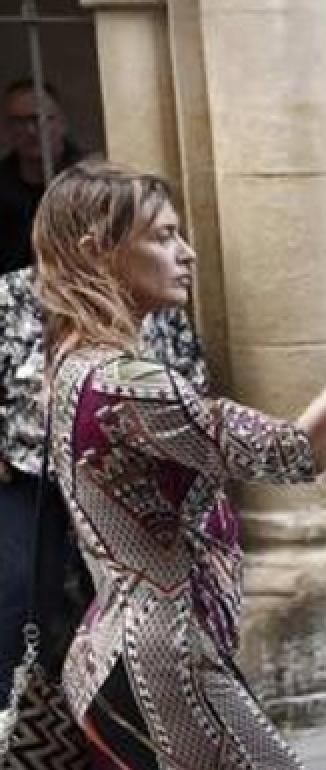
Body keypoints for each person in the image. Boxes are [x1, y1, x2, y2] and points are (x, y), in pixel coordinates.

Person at [32, 160, 326, 768]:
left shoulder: (74, 363)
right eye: (162, 237)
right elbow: (297, 452)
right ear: (99, 251)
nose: (186, 252)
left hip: (117, 651)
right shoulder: (126, 385)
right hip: (165, 665)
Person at [0, 265, 207, 708]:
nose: (183, 254)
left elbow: (191, 386)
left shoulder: (151, 300)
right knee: (19, 595)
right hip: (33, 478)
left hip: (127, 483)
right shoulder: (14, 293)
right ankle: (15, 722)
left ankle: (136, 723)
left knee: (140, 616)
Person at [0, 79, 84, 275]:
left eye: (40, 119)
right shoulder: (3, 183)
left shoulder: (89, 180)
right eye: (19, 122)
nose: (30, 130)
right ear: (6, 129)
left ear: (61, 123)